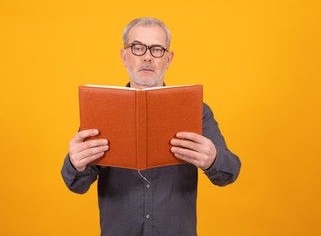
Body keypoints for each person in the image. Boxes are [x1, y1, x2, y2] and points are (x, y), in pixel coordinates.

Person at [61, 17, 241, 236]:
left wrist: (213, 159)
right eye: (137, 48)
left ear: (168, 58)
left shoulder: (195, 110)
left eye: (157, 49)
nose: (147, 57)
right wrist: (74, 162)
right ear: (124, 56)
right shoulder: (102, 109)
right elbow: (77, 184)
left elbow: (230, 173)